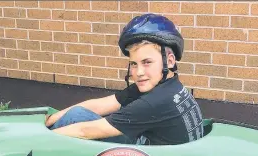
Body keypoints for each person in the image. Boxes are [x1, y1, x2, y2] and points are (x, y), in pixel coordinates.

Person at [46, 13, 204, 145]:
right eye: (133, 64)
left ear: (169, 61)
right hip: (157, 148)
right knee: (79, 114)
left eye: (147, 62)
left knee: (76, 119)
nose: (139, 72)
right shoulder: (166, 86)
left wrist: (40, 139)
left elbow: (85, 131)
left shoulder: (156, 101)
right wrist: (53, 118)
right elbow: (101, 104)